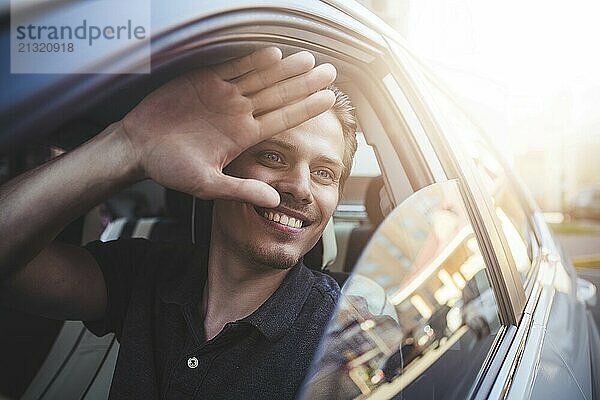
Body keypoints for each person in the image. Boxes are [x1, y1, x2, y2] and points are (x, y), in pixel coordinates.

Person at [0, 47, 358, 399]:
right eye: (273, 156)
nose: (300, 188)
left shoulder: (347, 338)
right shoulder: (148, 273)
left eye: (324, 173)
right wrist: (128, 146)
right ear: (220, 163)